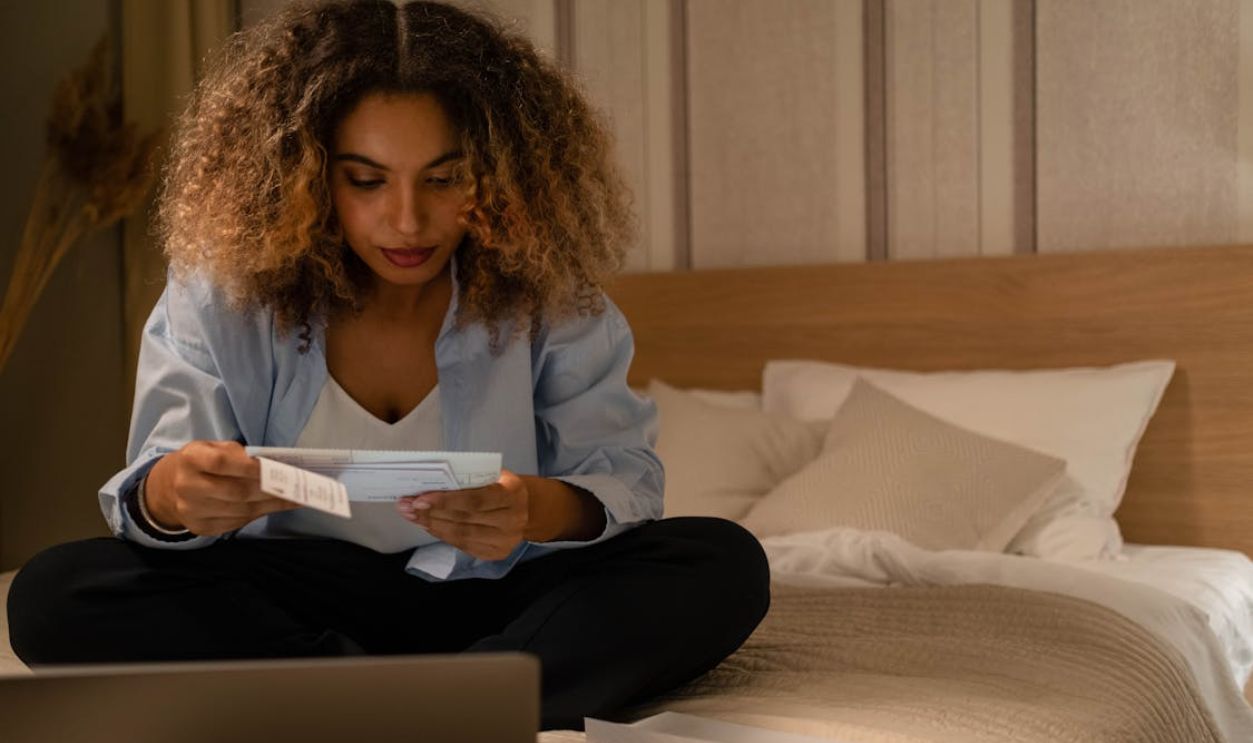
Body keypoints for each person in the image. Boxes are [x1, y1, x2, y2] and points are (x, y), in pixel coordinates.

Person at [5, 0, 769, 731]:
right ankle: (442, 704)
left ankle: (388, 704)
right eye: (365, 180)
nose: (407, 220)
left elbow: (623, 480)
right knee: (53, 593)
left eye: (444, 178)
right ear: (303, 172)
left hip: (494, 596)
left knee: (720, 561)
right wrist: (178, 492)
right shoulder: (220, 293)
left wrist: (530, 507)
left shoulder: (551, 296)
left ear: (503, 172)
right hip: (294, 599)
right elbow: (153, 489)